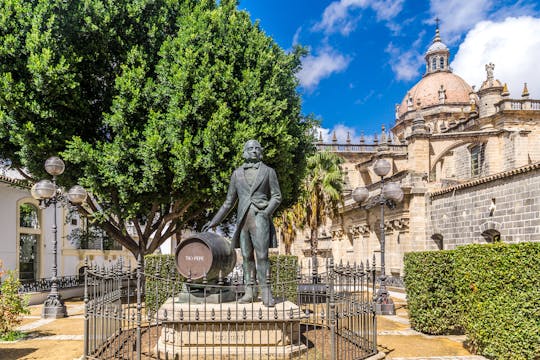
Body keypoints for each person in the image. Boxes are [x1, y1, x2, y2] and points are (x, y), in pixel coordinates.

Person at [202, 140, 281, 306]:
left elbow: (277, 196)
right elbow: (228, 202)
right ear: (245, 152)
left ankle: (266, 292)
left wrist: (266, 212)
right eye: (250, 148)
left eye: (256, 148)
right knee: (246, 257)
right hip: (243, 219)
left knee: (262, 255)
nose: (253, 151)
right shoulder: (237, 174)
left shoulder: (269, 172)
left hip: (260, 217)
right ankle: (249, 292)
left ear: (260, 151)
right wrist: (213, 222)